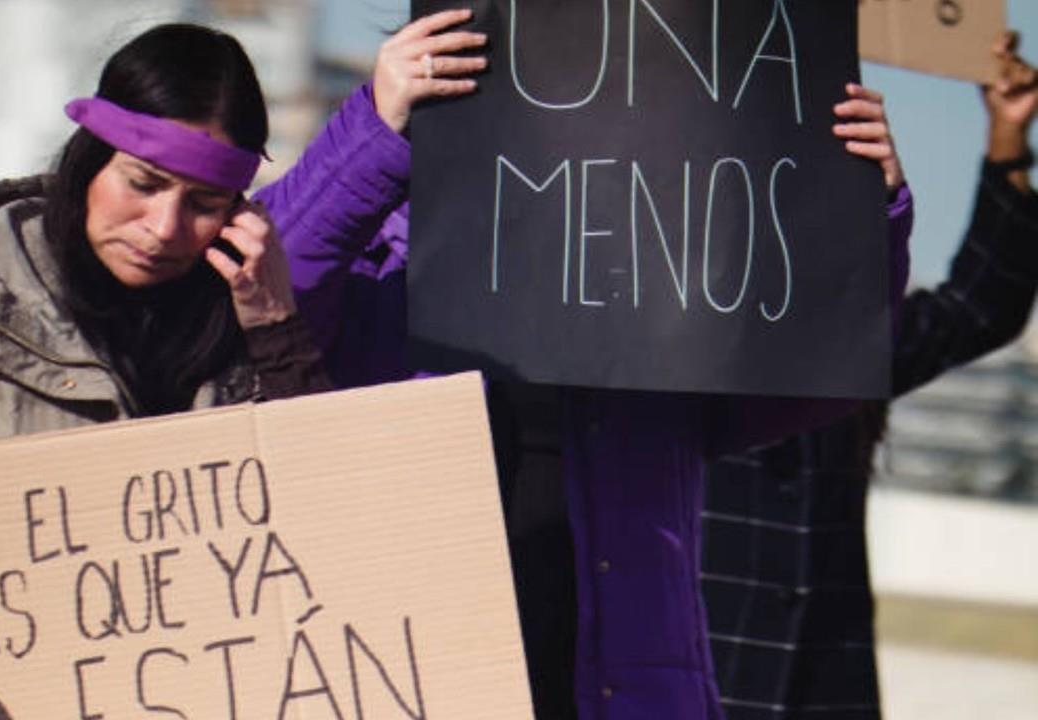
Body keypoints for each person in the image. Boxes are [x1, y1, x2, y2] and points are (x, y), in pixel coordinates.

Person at [270, 9, 914, 720]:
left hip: (623, 689)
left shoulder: (670, 263)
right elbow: (263, 295)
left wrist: (864, 206)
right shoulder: (388, 228)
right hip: (425, 679)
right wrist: (375, 122)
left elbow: (811, 380)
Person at [0, 22, 425, 455]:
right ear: (89, 163)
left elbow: (324, 488)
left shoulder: (241, 308)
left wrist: (275, 326)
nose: (165, 228)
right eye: (143, 184)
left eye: (204, 204)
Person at [702, 31, 1038, 719]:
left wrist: (1008, 137)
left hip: (827, 686)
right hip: (703, 686)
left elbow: (980, 306)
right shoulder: (655, 345)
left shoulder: (851, 342)